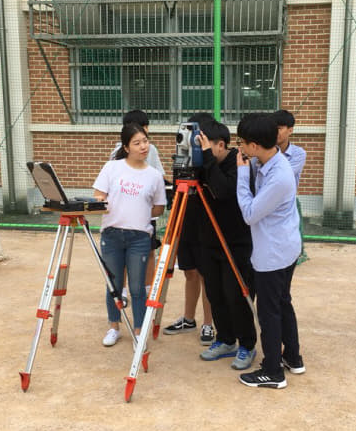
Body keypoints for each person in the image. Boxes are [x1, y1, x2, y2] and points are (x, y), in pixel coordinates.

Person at [236, 113, 303, 388]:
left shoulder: (279, 176)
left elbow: (250, 213)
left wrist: (241, 175)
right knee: (282, 302)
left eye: (241, 143)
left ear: (253, 145)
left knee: (269, 311)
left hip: (274, 253)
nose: (239, 148)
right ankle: (294, 358)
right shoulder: (269, 163)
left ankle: (273, 370)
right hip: (282, 247)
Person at [93, 122, 166, 346]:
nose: (143, 146)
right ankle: (114, 326)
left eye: (145, 141)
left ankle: (138, 331)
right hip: (112, 235)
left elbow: (159, 207)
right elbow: (98, 195)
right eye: (137, 143)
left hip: (140, 238)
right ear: (126, 147)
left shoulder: (154, 175)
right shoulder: (111, 168)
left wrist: (138, 214)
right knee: (113, 285)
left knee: (136, 287)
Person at [195, 120, 257, 370]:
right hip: (209, 241)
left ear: (220, 145)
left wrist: (208, 159)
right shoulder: (205, 162)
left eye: (205, 146)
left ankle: (247, 344)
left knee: (236, 296)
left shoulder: (240, 163)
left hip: (236, 243)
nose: (201, 151)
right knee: (215, 294)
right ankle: (225, 339)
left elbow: (221, 190)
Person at [163, 112, 215, 344]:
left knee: (205, 275)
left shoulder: (212, 162)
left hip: (205, 222)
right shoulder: (182, 160)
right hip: (185, 218)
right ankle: (188, 318)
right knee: (189, 271)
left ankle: (208, 324)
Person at [110, 110, 166, 306]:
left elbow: (158, 177)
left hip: (143, 212)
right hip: (128, 213)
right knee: (133, 253)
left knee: (147, 251)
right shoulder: (119, 152)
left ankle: (144, 290)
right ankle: (129, 291)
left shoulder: (150, 150)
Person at [272, 108, 308, 263]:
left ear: (290, 130)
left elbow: (281, 177)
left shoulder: (299, 154)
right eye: (273, 128)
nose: (276, 132)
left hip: (288, 202)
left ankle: (295, 256)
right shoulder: (264, 150)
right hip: (267, 200)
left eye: (279, 128)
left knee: (289, 237)